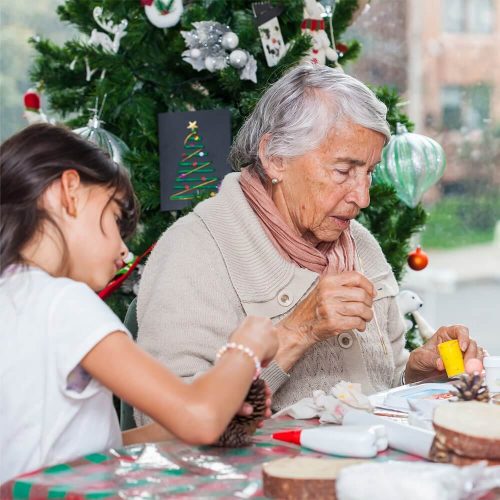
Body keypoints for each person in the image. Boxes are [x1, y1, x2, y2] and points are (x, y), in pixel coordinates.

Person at [135, 63, 485, 420]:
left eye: (369, 172)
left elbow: (375, 394)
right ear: (275, 159)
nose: (362, 197)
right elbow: (164, 421)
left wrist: (415, 376)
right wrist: (300, 330)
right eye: (343, 171)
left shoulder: (361, 245)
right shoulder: (194, 250)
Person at [0, 124, 278, 482]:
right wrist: (248, 344)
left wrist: (218, 401)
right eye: (116, 219)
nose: (123, 250)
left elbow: (77, 451)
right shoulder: (63, 303)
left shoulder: (16, 296)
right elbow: (200, 419)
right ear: (70, 191)